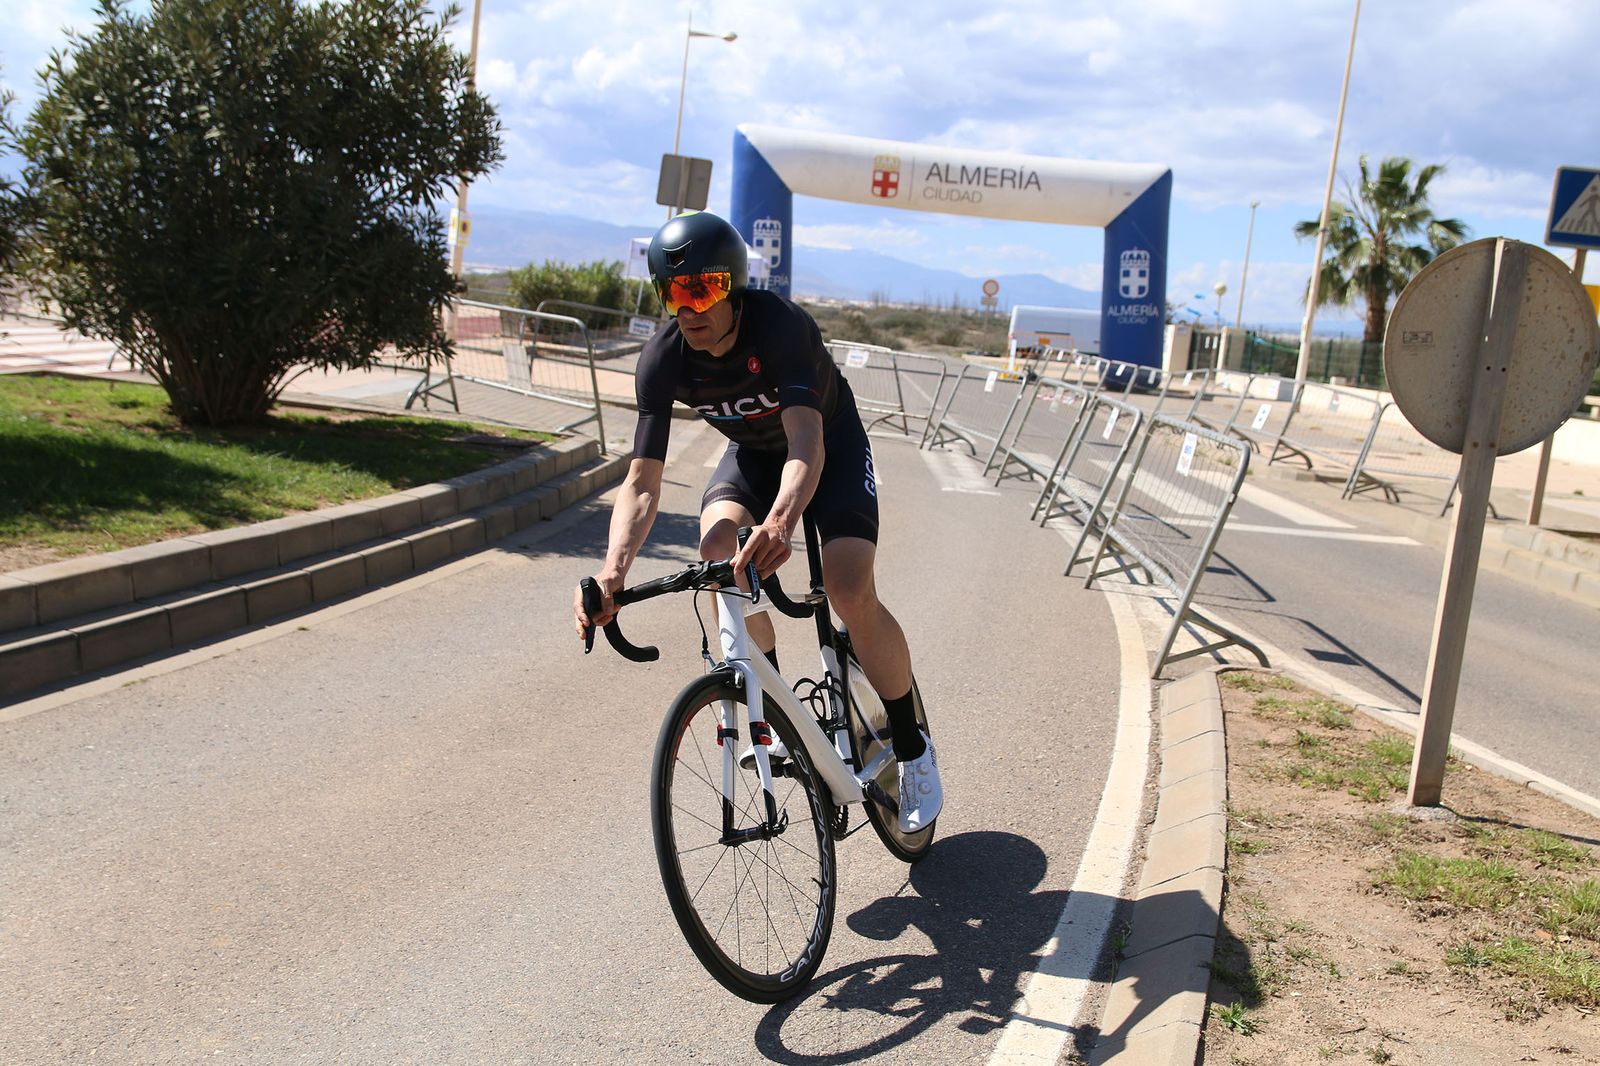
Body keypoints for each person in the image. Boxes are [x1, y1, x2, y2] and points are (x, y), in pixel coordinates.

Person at [572, 211, 942, 832]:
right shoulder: (664, 359)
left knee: (850, 588)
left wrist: (780, 525)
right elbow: (641, 482)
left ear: (733, 286)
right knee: (718, 550)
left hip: (829, 443)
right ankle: (767, 710)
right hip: (752, 455)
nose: (687, 309)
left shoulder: (780, 327)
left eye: (701, 289)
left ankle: (913, 748)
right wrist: (613, 573)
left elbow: (806, 442)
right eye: (672, 293)